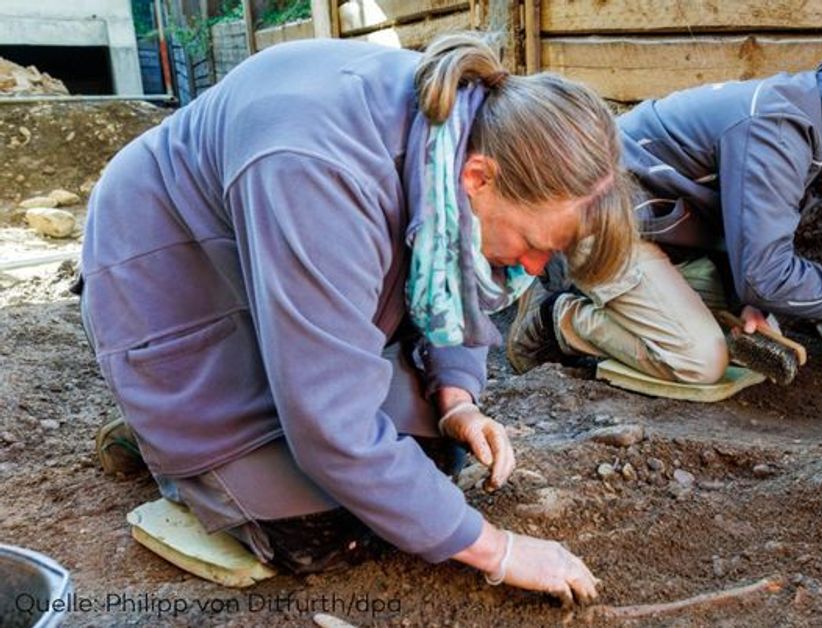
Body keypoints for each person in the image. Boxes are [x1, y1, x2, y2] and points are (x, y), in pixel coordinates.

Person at [79, 32, 635, 604]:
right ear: (480, 179)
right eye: (534, 243)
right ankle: (174, 440)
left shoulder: (465, 125)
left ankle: (218, 427)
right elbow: (332, 426)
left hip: (274, 270)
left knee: (433, 456)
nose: (534, 267)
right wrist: (499, 550)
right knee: (318, 536)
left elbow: (446, 269)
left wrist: (457, 398)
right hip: (174, 283)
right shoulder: (318, 165)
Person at [507, 46, 822, 384]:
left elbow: (748, 235)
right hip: (604, 215)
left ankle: (600, 291)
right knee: (701, 360)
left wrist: (747, 302)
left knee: (741, 330)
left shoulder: (807, 130)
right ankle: (557, 316)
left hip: (654, 223)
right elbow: (765, 274)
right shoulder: (778, 131)